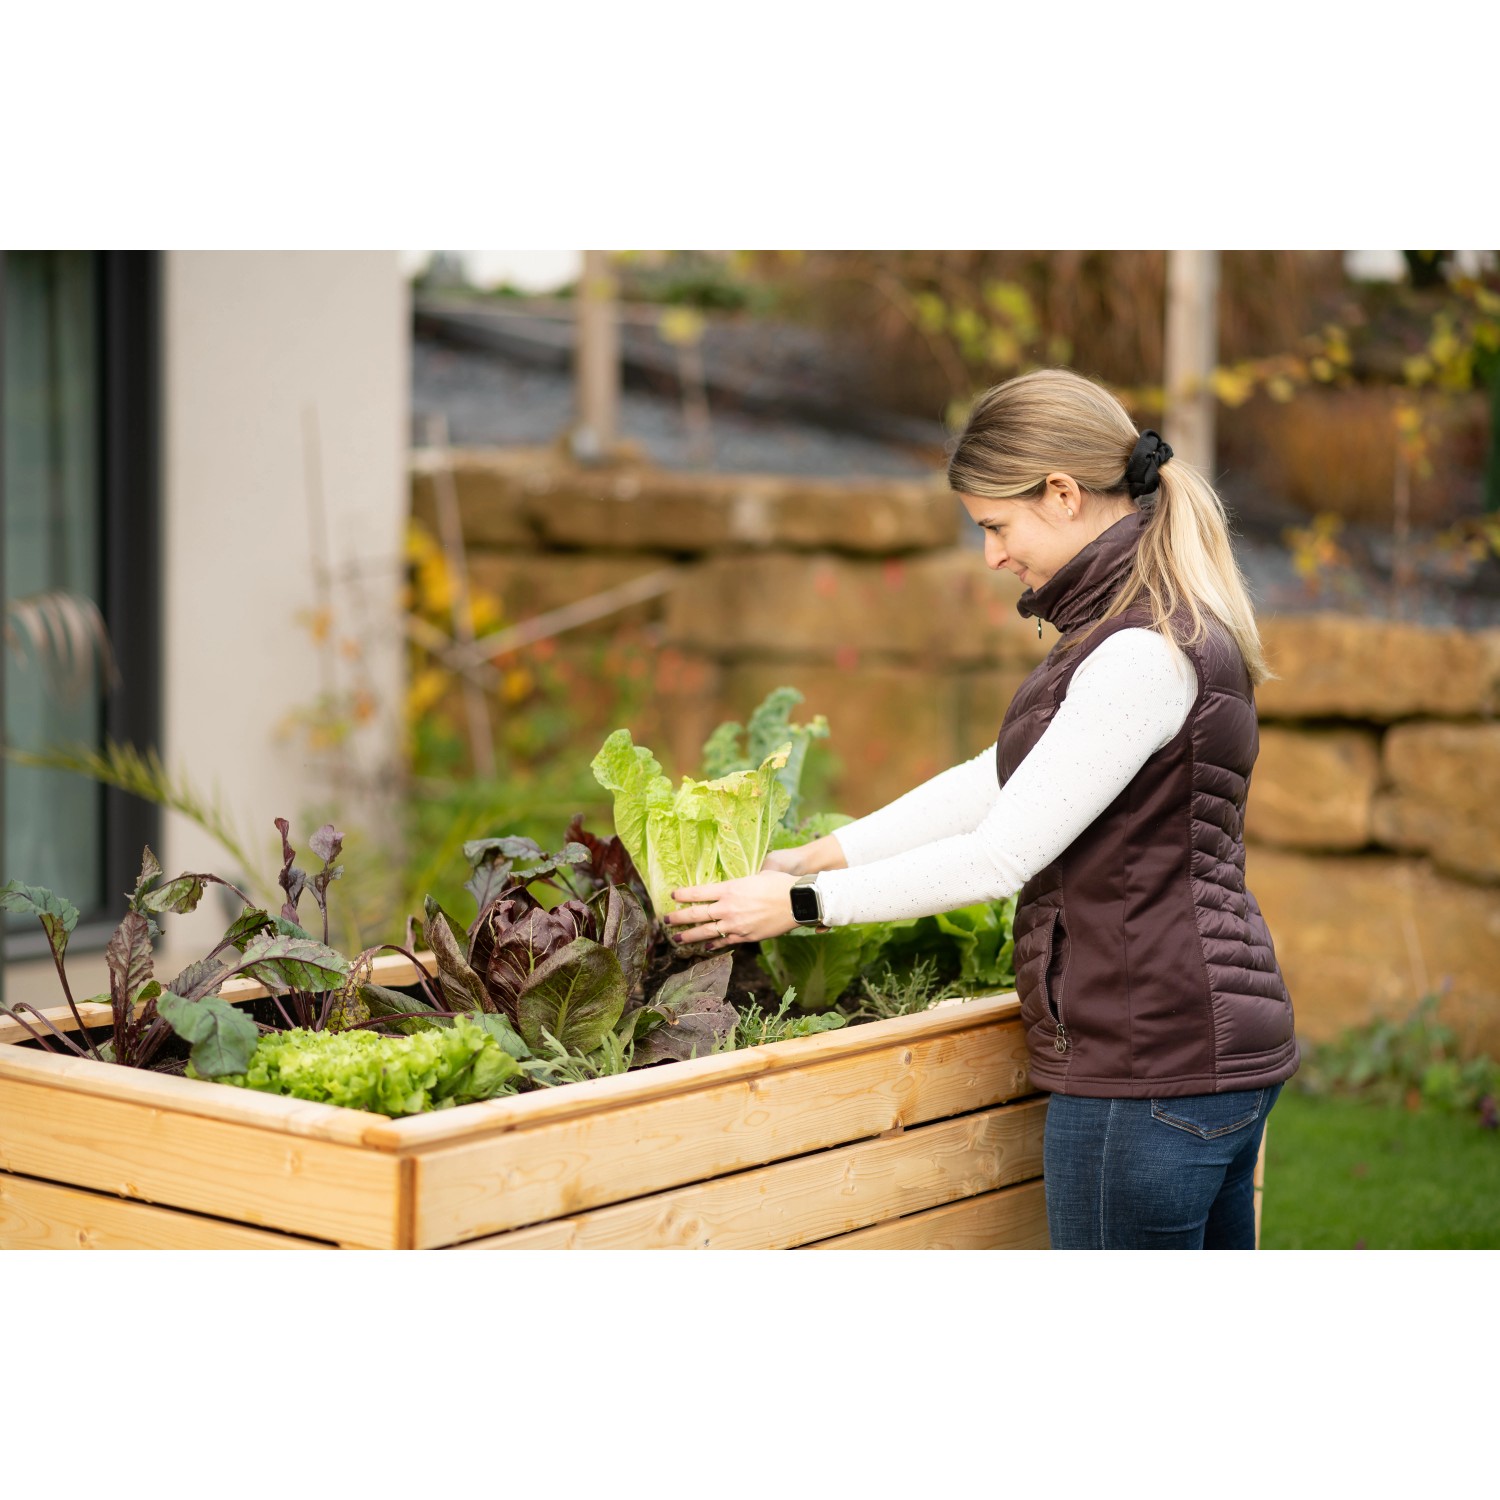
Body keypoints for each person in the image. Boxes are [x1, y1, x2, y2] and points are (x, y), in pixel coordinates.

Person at [664, 367, 1299, 1250]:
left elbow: (998, 855)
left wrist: (798, 909)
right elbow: (1002, 777)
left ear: (1064, 494)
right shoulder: (1142, 625)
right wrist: (823, 856)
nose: (994, 555)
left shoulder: (1140, 652)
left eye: (997, 526)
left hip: (1147, 1071)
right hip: (1198, 1056)